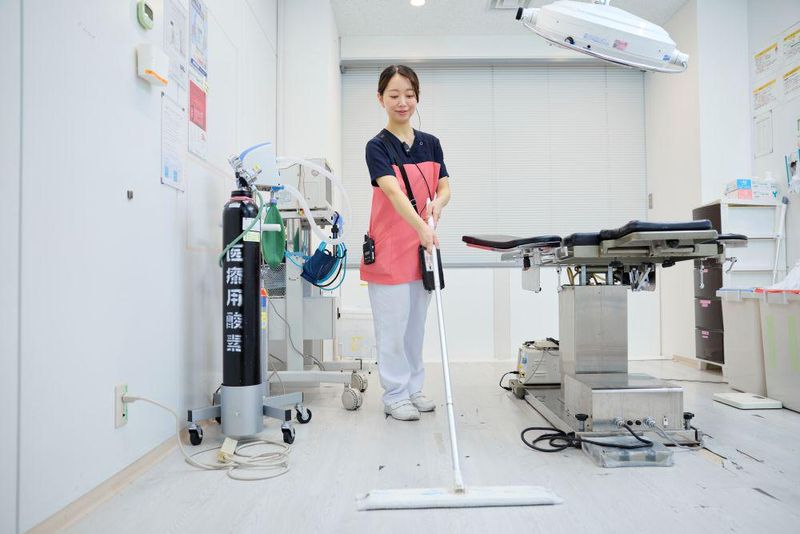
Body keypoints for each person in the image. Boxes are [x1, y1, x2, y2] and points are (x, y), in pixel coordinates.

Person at [360, 65, 452, 421]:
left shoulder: (431, 143)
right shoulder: (377, 147)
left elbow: (445, 186)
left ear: (417, 97)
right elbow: (394, 193)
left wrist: (439, 204)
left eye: (409, 95)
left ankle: (414, 388)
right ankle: (395, 394)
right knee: (392, 329)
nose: (403, 102)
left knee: (415, 329)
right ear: (380, 98)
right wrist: (421, 228)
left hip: (421, 253)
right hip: (390, 252)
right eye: (394, 95)